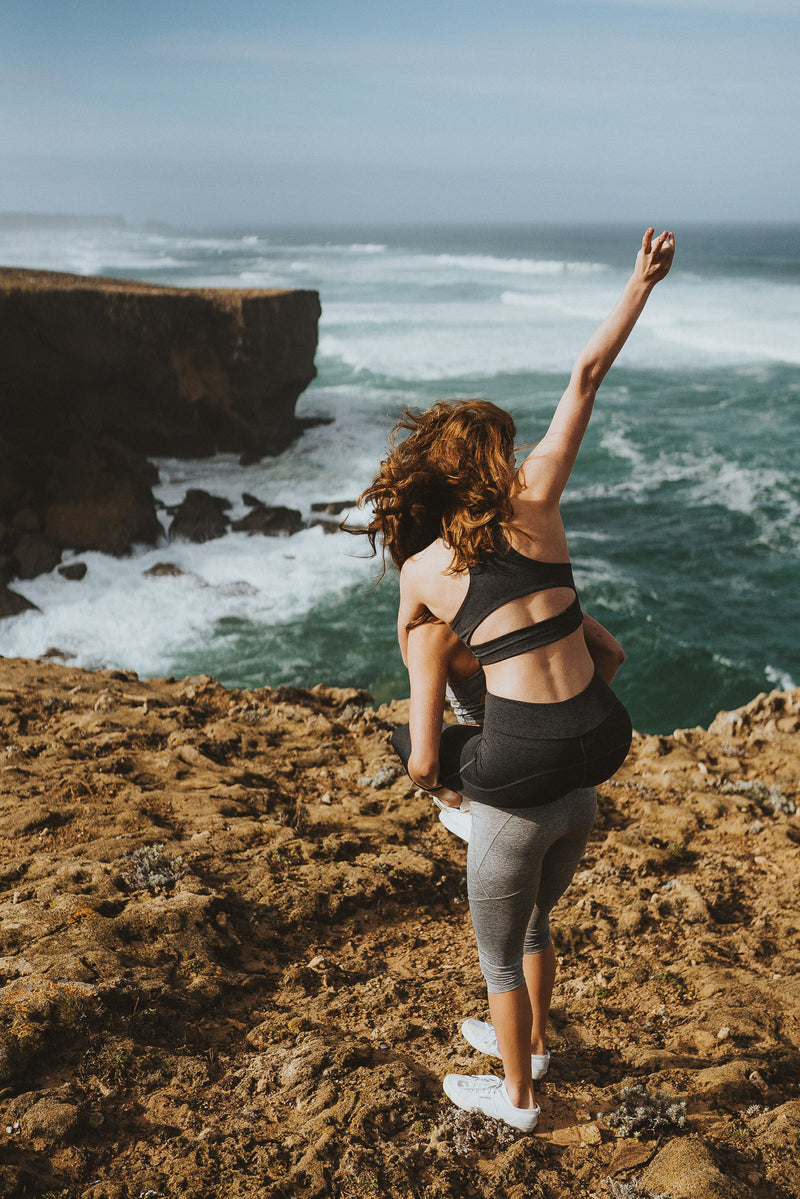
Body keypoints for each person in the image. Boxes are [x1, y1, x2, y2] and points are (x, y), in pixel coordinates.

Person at [358, 228, 675, 1131]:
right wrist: (639, 282)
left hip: (522, 771)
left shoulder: (425, 565)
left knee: (497, 950)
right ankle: (529, 1044)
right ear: (491, 464)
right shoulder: (538, 496)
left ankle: (519, 1094)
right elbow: (585, 377)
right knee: (536, 919)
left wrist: (432, 677)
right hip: (596, 748)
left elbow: (416, 671)